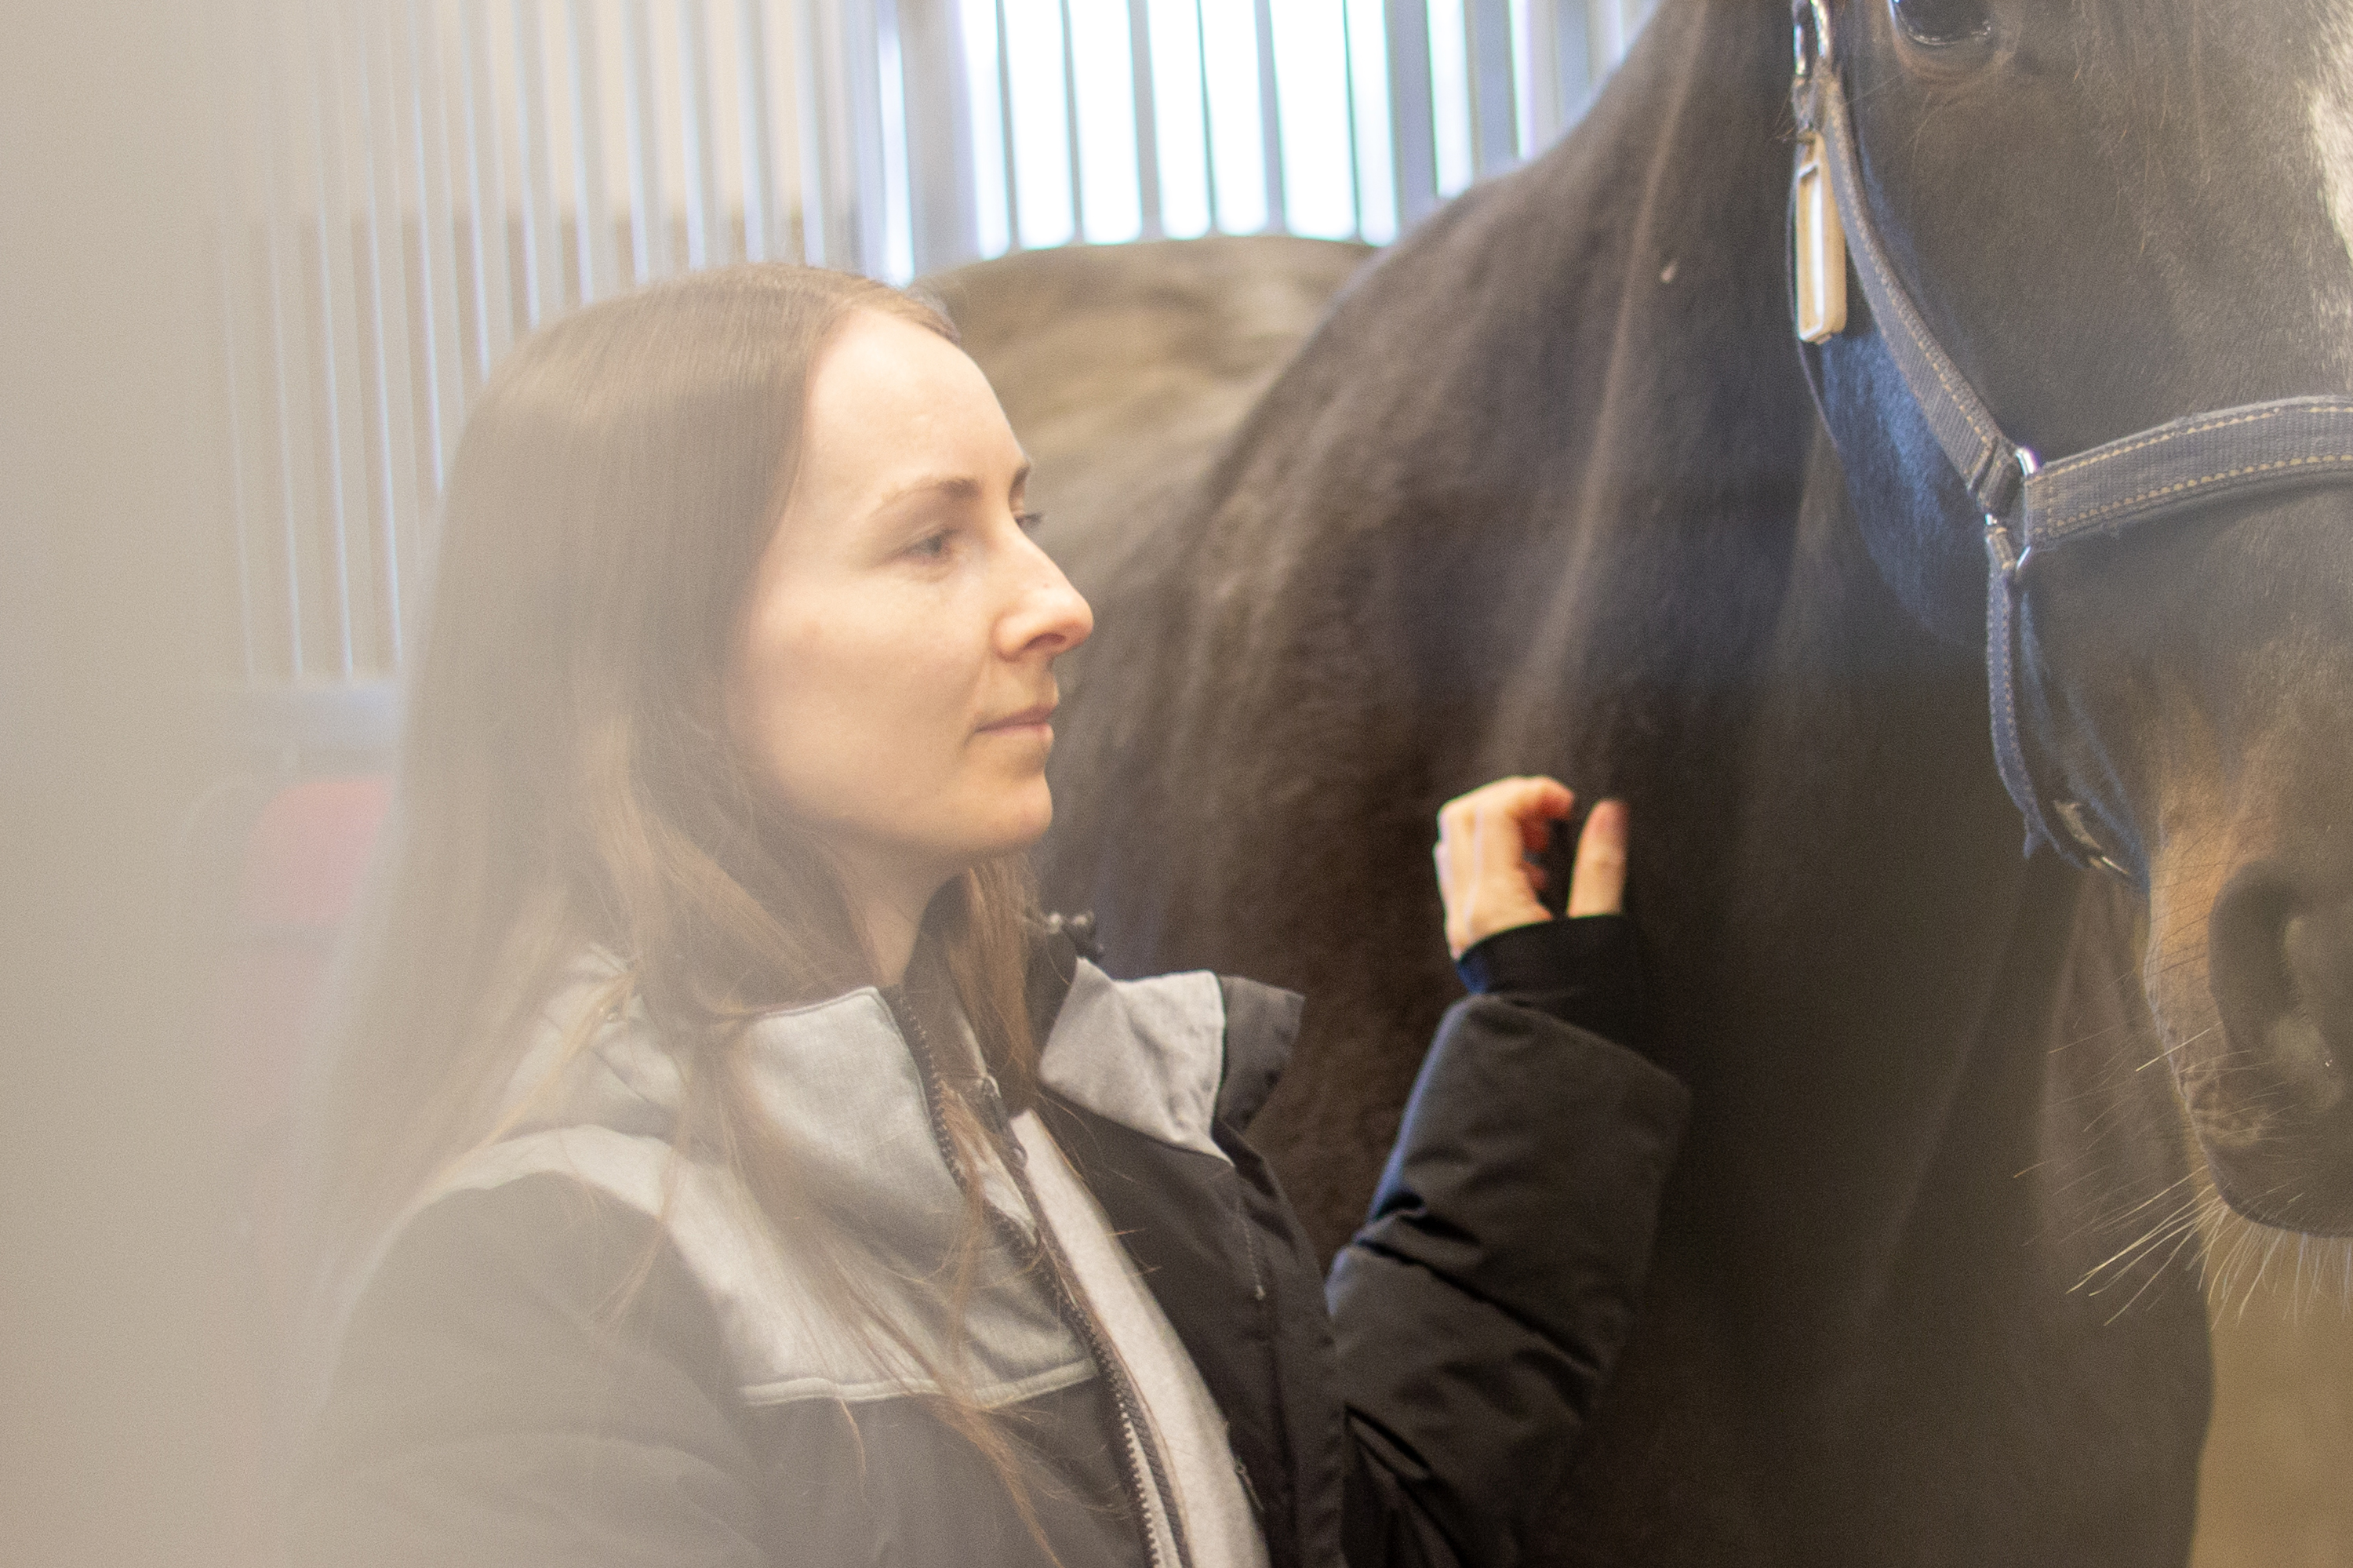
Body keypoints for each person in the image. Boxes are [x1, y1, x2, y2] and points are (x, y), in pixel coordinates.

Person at [286, 264, 1681, 1568]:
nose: (1059, 605)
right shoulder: (538, 1301)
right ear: (663, 658)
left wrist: (1540, 1047)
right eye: (929, 543)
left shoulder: (1038, 1128)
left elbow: (1326, 1529)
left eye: (1026, 520)